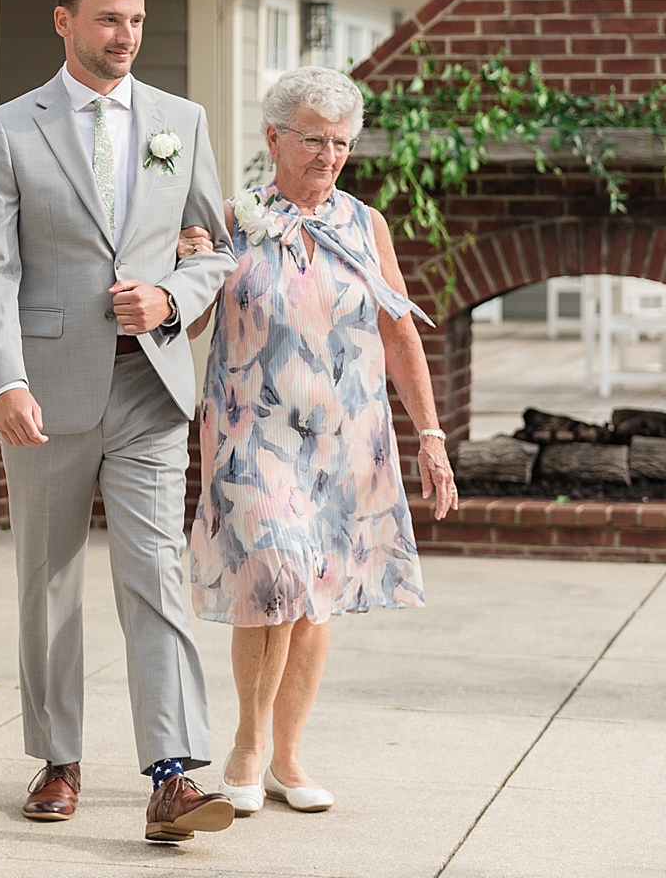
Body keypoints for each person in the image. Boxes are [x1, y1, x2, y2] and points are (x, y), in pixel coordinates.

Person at [0, 0, 239, 843]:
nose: (127, 36)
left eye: (138, 21)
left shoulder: (179, 120)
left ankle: (173, 776)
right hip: (44, 389)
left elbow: (218, 250)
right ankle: (59, 758)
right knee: (49, 581)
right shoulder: (8, 129)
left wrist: (170, 300)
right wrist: (2, 379)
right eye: (111, 18)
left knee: (155, 574)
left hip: (149, 386)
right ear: (65, 21)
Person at [177, 66, 457, 816]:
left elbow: (399, 332)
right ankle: (248, 742)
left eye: (340, 143)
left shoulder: (366, 225)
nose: (327, 156)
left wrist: (429, 434)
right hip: (251, 429)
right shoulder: (232, 217)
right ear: (273, 138)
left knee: (315, 589)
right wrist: (184, 264)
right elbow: (191, 326)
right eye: (312, 140)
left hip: (347, 434)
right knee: (275, 569)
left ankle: (289, 756)